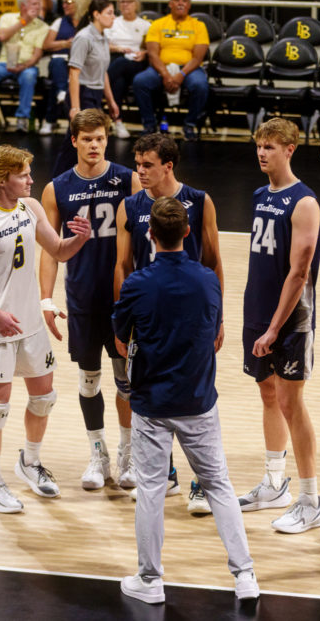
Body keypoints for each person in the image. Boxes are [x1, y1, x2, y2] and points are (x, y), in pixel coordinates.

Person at [113, 196, 259, 604]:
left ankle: (150, 580)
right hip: (198, 400)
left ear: (150, 235)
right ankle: (245, 575)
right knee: (219, 485)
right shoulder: (208, 280)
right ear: (188, 233)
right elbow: (211, 334)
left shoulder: (137, 284)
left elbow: (121, 341)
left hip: (152, 403)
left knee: (151, 491)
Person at [0, 144, 92, 513]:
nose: (31, 179)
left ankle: (29, 461)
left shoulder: (31, 208)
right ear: (2, 180)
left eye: (30, 172)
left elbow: (58, 251)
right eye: (23, 174)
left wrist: (81, 239)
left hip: (30, 323)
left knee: (44, 397)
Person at [115, 132, 223, 512]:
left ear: (168, 166)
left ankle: (200, 482)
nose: (140, 172)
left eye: (148, 165)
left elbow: (213, 261)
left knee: (197, 397)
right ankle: (168, 476)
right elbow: (123, 266)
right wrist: (121, 321)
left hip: (192, 316)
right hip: (149, 314)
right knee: (151, 394)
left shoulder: (199, 201)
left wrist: (218, 318)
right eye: (137, 164)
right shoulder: (129, 206)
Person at [39, 109, 141, 489]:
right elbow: (49, 249)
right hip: (81, 298)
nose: (94, 145)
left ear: (106, 139)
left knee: (125, 381)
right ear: (74, 142)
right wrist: (46, 301)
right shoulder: (56, 188)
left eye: (100, 138)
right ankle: (97, 454)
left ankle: (127, 454)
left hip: (121, 298)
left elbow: (144, 238)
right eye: (87, 139)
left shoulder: (127, 180)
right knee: (89, 380)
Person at [236, 119, 320, 536]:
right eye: (259, 145)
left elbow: (299, 272)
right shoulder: (259, 194)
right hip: (257, 311)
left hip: (290, 320)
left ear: (290, 149)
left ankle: (311, 499)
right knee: (268, 395)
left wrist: (274, 328)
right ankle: (275, 484)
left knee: (292, 403)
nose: (262, 152)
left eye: (271, 146)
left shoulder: (305, 202)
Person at [49, 0, 121, 177]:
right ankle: (57, 183)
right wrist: (75, 107)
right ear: (96, 15)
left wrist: (111, 101)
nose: (114, 17)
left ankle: (76, 180)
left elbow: (102, 72)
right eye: (110, 13)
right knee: (78, 142)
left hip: (95, 93)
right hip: (82, 92)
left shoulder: (103, 37)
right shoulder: (84, 37)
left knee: (85, 141)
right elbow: (74, 73)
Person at [131, 0, 209, 140]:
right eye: (177, 0)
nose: (180, 3)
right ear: (170, 3)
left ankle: (190, 125)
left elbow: (198, 58)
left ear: (189, 5)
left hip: (189, 69)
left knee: (201, 85)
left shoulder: (199, 26)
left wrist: (180, 74)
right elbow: (153, 54)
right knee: (140, 81)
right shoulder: (158, 24)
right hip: (161, 67)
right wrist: (166, 74)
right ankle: (149, 125)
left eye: (184, 0)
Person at [0, 0, 49, 133]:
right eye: (34, 4)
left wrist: (24, 66)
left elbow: (37, 55)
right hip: (4, 63)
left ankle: (22, 119)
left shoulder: (43, 26)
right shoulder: (7, 18)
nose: (38, 7)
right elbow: (2, 37)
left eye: (39, 4)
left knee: (29, 76)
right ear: (23, 6)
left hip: (27, 66)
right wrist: (23, 21)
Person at [40, 0, 89, 135]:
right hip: (61, 61)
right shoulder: (59, 21)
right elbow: (46, 45)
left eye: (68, 2)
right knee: (57, 64)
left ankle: (50, 120)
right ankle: (62, 93)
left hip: (82, 63)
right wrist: (65, 44)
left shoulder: (89, 23)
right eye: (63, 2)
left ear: (79, 2)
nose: (64, 5)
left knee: (56, 84)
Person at [105, 0, 151, 139]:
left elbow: (150, 48)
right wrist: (118, 48)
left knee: (121, 63)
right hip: (116, 57)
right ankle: (118, 122)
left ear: (136, 4)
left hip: (136, 63)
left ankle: (99, 86)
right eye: (122, 2)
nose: (125, 5)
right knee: (118, 82)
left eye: (129, 1)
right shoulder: (113, 22)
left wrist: (144, 54)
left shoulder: (145, 25)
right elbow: (104, 44)